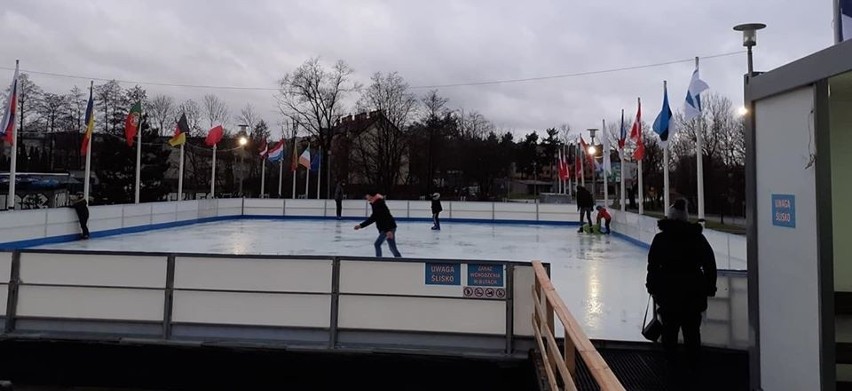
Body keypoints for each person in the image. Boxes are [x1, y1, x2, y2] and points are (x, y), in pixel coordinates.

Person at [646, 198, 717, 367]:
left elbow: (653, 266)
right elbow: (709, 264)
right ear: (685, 217)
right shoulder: (697, 238)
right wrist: (709, 287)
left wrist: (652, 286)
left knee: (669, 331)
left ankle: (670, 366)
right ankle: (693, 366)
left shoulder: (661, 239)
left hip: (668, 292)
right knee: (692, 332)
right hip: (693, 291)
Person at [354, 192, 401, 258]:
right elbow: (374, 217)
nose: (366, 198)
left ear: (370, 195)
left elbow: (385, 217)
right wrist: (361, 225)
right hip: (388, 227)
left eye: (366, 196)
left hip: (388, 228)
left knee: (377, 244)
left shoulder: (378, 203)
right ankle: (398, 259)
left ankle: (379, 260)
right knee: (392, 247)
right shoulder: (376, 203)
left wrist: (388, 231)